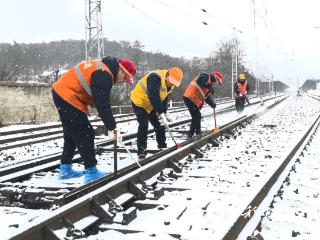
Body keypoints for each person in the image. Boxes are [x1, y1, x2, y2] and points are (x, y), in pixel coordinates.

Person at [52, 57, 137, 184]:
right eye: (125, 78)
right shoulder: (104, 75)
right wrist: (112, 128)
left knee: (71, 134)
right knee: (86, 133)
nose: (123, 82)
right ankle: (91, 172)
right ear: (121, 70)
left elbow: (98, 99)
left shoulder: (104, 70)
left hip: (61, 93)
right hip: (69, 96)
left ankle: (65, 169)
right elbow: (103, 104)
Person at [130, 67, 184, 159]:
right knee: (144, 124)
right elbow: (153, 96)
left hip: (151, 104)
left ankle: (162, 145)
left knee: (159, 123)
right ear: (168, 75)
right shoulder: (155, 78)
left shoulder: (171, 85)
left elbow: (164, 98)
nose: (171, 84)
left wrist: (164, 112)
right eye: (171, 81)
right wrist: (160, 112)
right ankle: (141, 150)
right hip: (139, 102)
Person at [183, 71, 223, 138]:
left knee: (198, 116)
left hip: (193, 100)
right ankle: (191, 134)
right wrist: (209, 86)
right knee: (196, 116)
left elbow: (207, 98)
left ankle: (198, 132)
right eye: (216, 79)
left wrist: (212, 104)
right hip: (189, 97)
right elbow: (201, 82)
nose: (216, 82)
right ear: (214, 76)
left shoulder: (208, 85)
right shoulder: (205, 76)